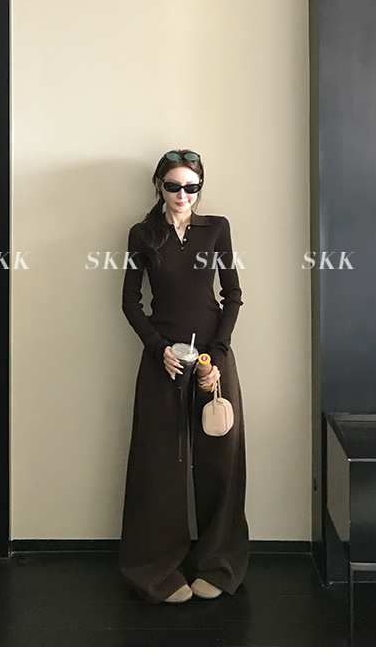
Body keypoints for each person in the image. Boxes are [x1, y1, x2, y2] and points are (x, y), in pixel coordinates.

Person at [118, 148, 249, 604]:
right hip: (164, 360)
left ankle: (218, 563)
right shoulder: (142, 234)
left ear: (200, 187)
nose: (182, 195)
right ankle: (156, 569)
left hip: (213, 361)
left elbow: (232, 294)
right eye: (173, 186)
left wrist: (217, 355)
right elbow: (130, 301)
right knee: (159, 463)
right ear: (159, 186)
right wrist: (158, 349)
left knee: (220, 462)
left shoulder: (217, 229)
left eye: (191, 187)